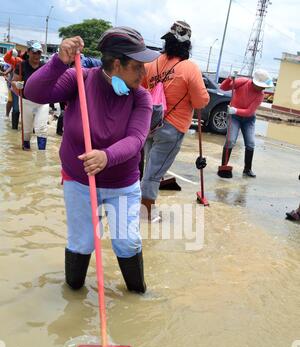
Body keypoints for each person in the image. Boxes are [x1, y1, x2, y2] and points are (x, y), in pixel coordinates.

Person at [25, 27, 159, 293]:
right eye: (138, 67)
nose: (144, 74)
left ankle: (138, 294)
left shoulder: (141, 97)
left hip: (123, 184)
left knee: (127, 241)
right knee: (82, 241)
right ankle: (72, 297)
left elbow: (135, 141)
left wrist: (106, 156)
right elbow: (34, 93)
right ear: (118, 64)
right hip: (79, 182)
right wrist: (57, 62)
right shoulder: (80, 79)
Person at [140, 20, 209, 219]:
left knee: (149, 167)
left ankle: (142, 206)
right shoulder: (190, 68)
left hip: (150, 124)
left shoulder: (152, 63)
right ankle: (147, 213)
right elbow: (200, 101)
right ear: (187, 45)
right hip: (172, 127)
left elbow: (143, 90)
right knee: (155, 171)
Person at [219, 69, 274, 178]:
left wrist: (235, 110)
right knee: (230, 141)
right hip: (234, 118)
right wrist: (230, 78)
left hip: (248, 119)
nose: (263, 88)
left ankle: (247, 169)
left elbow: (249, 111)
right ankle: (224, 166)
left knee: (250, 143)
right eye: (262, 86)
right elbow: (223, 87)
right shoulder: (243, 82)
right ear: (255, 82)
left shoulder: (260, 95)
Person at [11, 40, 48, 150]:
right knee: (26, 130)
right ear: (28, 52)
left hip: (42, 102)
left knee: (41, 128)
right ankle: (26, 151)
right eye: (34, 52)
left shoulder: (45, 67)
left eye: (39, 53)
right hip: (26, 101)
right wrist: (16, 84)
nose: (36, 55)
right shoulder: (21, 66)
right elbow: (13, 81)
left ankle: (41, 156)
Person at [4, 48, 23, 129]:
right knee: (11, 102)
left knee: (23, 106)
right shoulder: (18, 61)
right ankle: (7, 116)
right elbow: (8, 62)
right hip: (13, 85)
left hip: (24, 87)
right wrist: (11, 51)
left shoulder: (22, 62)